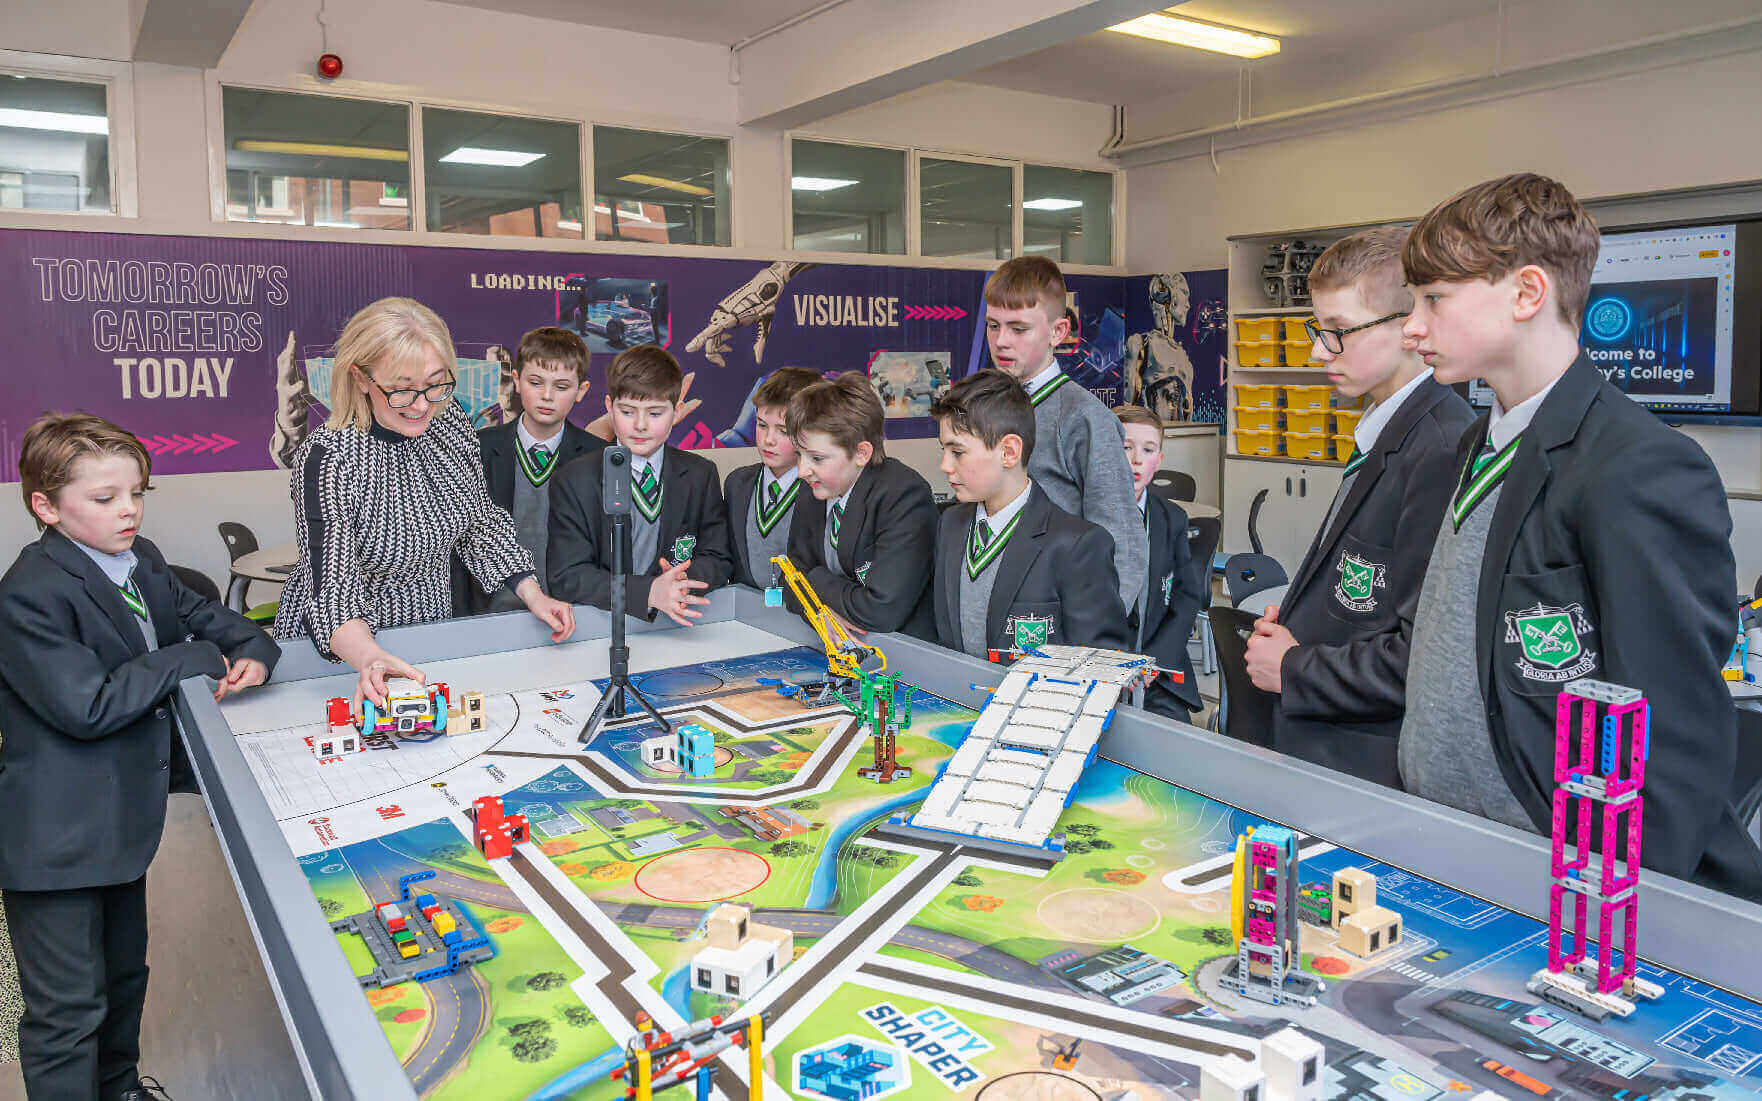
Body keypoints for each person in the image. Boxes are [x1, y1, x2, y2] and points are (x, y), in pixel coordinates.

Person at [1396, 173, 1762, 896]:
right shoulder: (1477, 443)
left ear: (1527, 293)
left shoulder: (1637, 465)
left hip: (1563, 881)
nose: (1412, 326)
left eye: (1433, 299)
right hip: (1452, 849)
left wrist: (1609, 910)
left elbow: (1672, 737)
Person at [0, 413, 280, 1101]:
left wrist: (254, 648)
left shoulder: (139, 558)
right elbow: (89, 705)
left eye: (137, 493)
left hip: (121, 824)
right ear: (46, 506)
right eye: (105, 497)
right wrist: (190, 656)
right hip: (57, 840)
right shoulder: (29, 593)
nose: (128, 509)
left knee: (125, 979)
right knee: (69, 1013)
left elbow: (211, 620)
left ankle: (122, 1089)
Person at [1243, 229, 1474, 787]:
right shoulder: (1386, 431)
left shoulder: (1440, 449)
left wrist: (1295, 667)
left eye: (1339, 332)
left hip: (1369, 764)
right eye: (1317, 330)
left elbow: (1423, 655)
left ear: (1408, 326)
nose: (1318, 351)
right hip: (1325, 744)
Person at [274, 297, 575, 708]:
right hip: (345, 653)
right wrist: (370, 657)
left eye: (435, 384)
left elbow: (479, 524)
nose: (421, 405)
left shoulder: (448, 422)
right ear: (360, 378)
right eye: (401, 390)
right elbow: (334, 593)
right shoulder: (329, 457)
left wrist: (533, 593)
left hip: (428, 633)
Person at [983, 256, 1146, 610]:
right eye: (993, 326)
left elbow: (1121, 541)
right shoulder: (984, 408)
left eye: (1019, 329)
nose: (1001, 341)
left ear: (1058, 332)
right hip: (993, 600)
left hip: (1057, 609)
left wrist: (1100, 627)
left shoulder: (1084, 418)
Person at [931, 372, 1128, 659]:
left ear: (1009, 452)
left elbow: (1102, 663)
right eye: (944, 450)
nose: (945, 465)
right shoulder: (950, 526)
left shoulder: (1077, 546)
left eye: (957, 452)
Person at [547, 345, 735, 625]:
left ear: (677, 411)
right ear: (609, 407)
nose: (640, 425)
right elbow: (567, 576)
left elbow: (718, 557)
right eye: (627, 411)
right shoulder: (574, 479)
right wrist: (647, 592)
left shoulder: (700, 474)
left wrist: (679, 583)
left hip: (676, 627)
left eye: (655, 413)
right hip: (599, 627)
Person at [457, 326, 604, 615]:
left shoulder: (598, 457)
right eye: (536, 382)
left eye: (561, 386)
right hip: (491, 614)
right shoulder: (478, 449)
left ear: (581, 391)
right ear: (516, 380)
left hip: (573, 613)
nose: (547, 395)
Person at [785, 372, 937, 638]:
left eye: (817, 458)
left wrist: (815, 578)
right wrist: (817, 611)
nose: (801, 471)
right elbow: (789, 579)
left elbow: (881, 610)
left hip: (901, 650)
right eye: (799, 455)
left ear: (861, 453)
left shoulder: (904, 495)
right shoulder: (814, 488)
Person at [1115, 405, 1203, 717]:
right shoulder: (1080, 515)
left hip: (1157, 670)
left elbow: (1187, 595)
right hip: (1100, 667)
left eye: (1148, 449)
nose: (1136, 459)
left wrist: (1156, 659)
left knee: (1173, 737)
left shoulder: (1172, 518)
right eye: (1126, 447)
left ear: (1159, 460)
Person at [724, 366, 822, 590]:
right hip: (746, 606)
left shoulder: (822, 490)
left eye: (783, 430)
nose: (768, 440)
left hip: (804, 607)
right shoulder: (737, 484)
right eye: (761, 425)